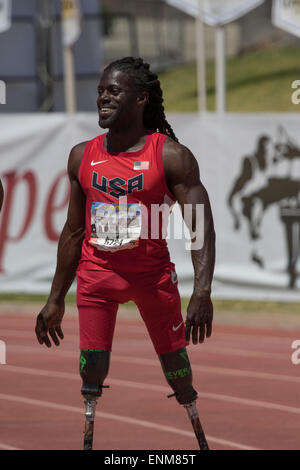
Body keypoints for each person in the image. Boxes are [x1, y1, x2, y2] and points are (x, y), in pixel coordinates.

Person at [35, 57, 216, 450]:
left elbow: (200, 225)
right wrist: (54, 299)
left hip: (152, 280)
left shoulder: (170, 156)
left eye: (114, 91)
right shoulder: (82, 155)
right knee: (91, 372)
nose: (103, 98)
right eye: (101, 91)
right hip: (97, 278)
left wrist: (202, 291)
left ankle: (197, 432)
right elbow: (73, 230)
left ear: (141, 98)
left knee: (179, 372)